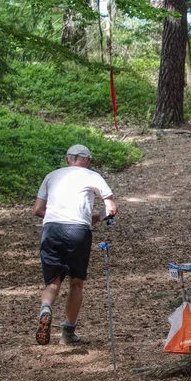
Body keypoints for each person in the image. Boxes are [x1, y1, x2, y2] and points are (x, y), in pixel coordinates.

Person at [33, 144, 118, 345]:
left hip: (51, 229)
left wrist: (57, 216)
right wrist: (98, 217)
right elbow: (112, 208)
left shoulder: (51, 176)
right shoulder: (92, 176)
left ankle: (46, 307)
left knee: (53, 282)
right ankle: (68, 333)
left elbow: (37, 210)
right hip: (78, 230)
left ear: (67, 160)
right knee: (76, 282)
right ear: (87, 160)